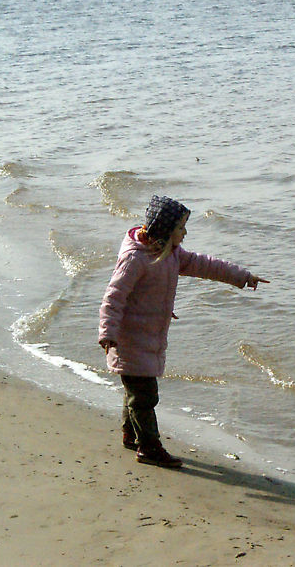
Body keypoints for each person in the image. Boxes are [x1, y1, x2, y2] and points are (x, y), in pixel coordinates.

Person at [98, 195, 268, 468]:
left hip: (150, 335)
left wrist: (242, 276)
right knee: (145, 395)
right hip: (129, 338)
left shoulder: (172, 254)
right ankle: (149, 448)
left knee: (137, 393)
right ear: (164, 231)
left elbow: (206, 265)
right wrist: (107, 332)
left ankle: (132, 435)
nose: (185, 233)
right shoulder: (135, 259)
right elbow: (113, 297)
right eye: (181, 228)